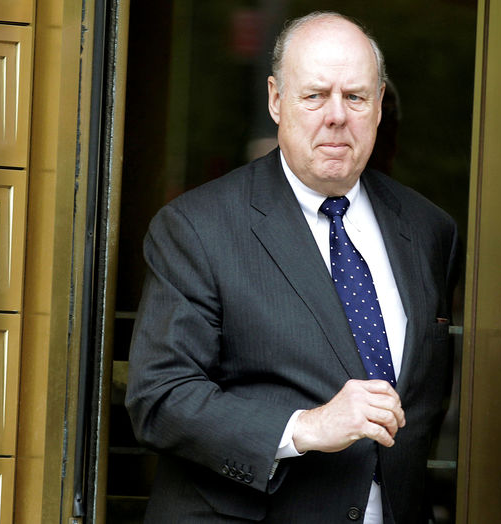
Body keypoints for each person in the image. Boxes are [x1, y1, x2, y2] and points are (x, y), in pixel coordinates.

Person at [125, 11, 459, 523]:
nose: (336, 115)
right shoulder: (197, 228)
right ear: (276, 100)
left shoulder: (429, 229)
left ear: (377, 107)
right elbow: (160, 399)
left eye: (355, 96)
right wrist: (304, 427)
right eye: (314, 95)